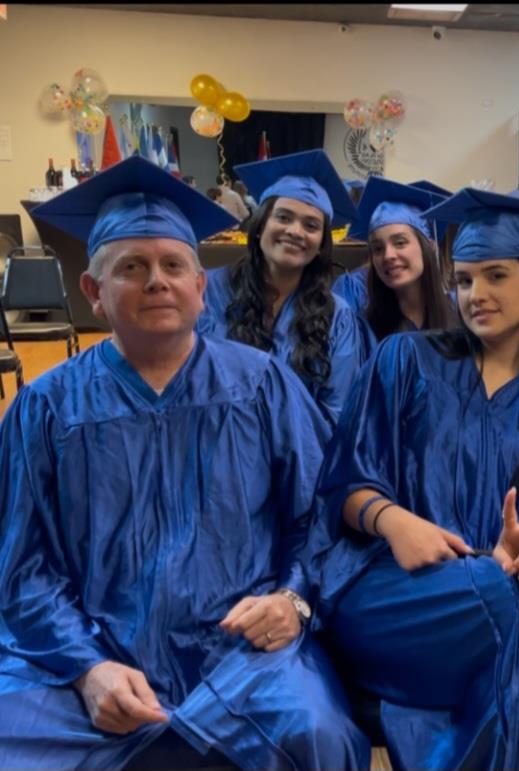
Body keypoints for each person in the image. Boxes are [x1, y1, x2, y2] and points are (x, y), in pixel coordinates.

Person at [0, 155, 370, 770]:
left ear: (201, 288)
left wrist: (294, 599)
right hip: (91, 648)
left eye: (174, 265)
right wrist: (88, 668)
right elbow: (21, 567)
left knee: (318, 734)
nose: (157, 282)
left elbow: (321, 516)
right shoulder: (46, 407)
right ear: (93, 293)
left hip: (245, 651)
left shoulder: (262, 386)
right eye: (131, 267)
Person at [315, 189, 519, 771]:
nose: (476, 295)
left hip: (501, 617)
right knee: (516, 589)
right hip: (399, 596)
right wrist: (395, 522)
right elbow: (345, 484)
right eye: (466, 280)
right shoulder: (404, 361)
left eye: (496, 276)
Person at [197, 149, 368, 425]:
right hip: (216, 444)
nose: (295, 231)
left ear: (321, 243)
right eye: (283, 217)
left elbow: (337, 412)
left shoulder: (337, 315)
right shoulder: (207, 291)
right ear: (260, 226)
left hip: (303, 450)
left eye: (311, 225)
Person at [333, 176, 457, 341]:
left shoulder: (459, 313)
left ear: (430, 246)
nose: (388, 255)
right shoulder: (362, 328)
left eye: (400, 243)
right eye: (378, 248)